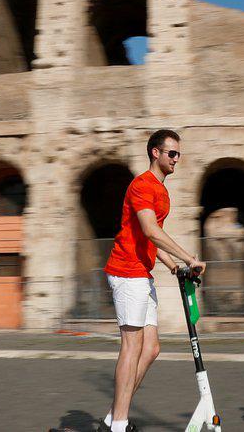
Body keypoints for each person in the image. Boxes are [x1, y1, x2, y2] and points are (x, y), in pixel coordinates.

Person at [90, 129, 206, 432]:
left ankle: (112, 416)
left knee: (151, 348)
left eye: (179, 154)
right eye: (172, 153)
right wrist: (188, 258)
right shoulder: (142, 185)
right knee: (132, 346)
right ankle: (118, 424)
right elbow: (151, 230)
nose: (176, 159)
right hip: (126, 272)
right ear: (155, 152)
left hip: (142, 272)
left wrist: (173, 266)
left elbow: (149, 241)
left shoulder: (161, 190)